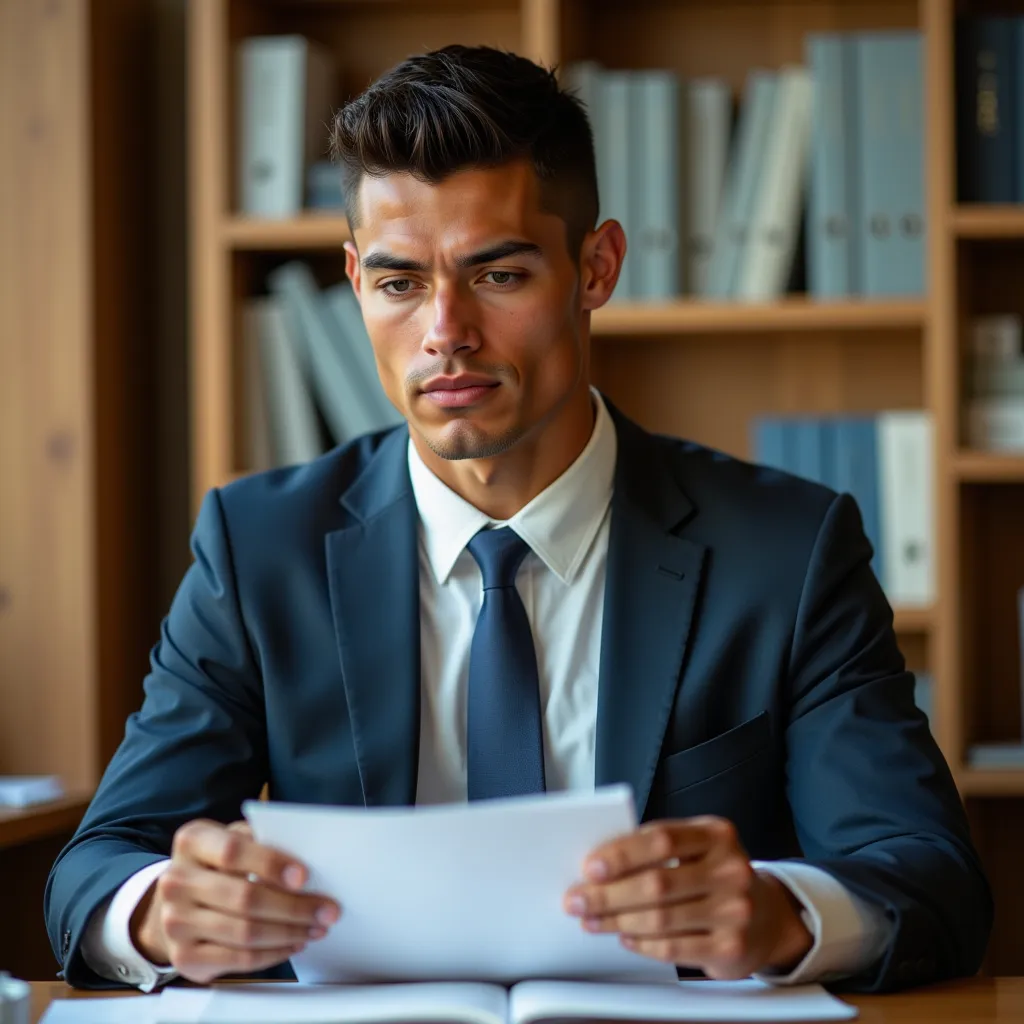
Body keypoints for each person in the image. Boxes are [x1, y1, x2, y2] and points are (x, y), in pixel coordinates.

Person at [45, 44, 990, 994]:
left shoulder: (786, 550)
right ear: (354, 281)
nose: (445, 331)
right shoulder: (256, 550)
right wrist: (162, 912)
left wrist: (785, 915)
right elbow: (96, 868)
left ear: (597, 267)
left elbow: (932, 880)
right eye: (400, 282)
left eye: (497, 275)